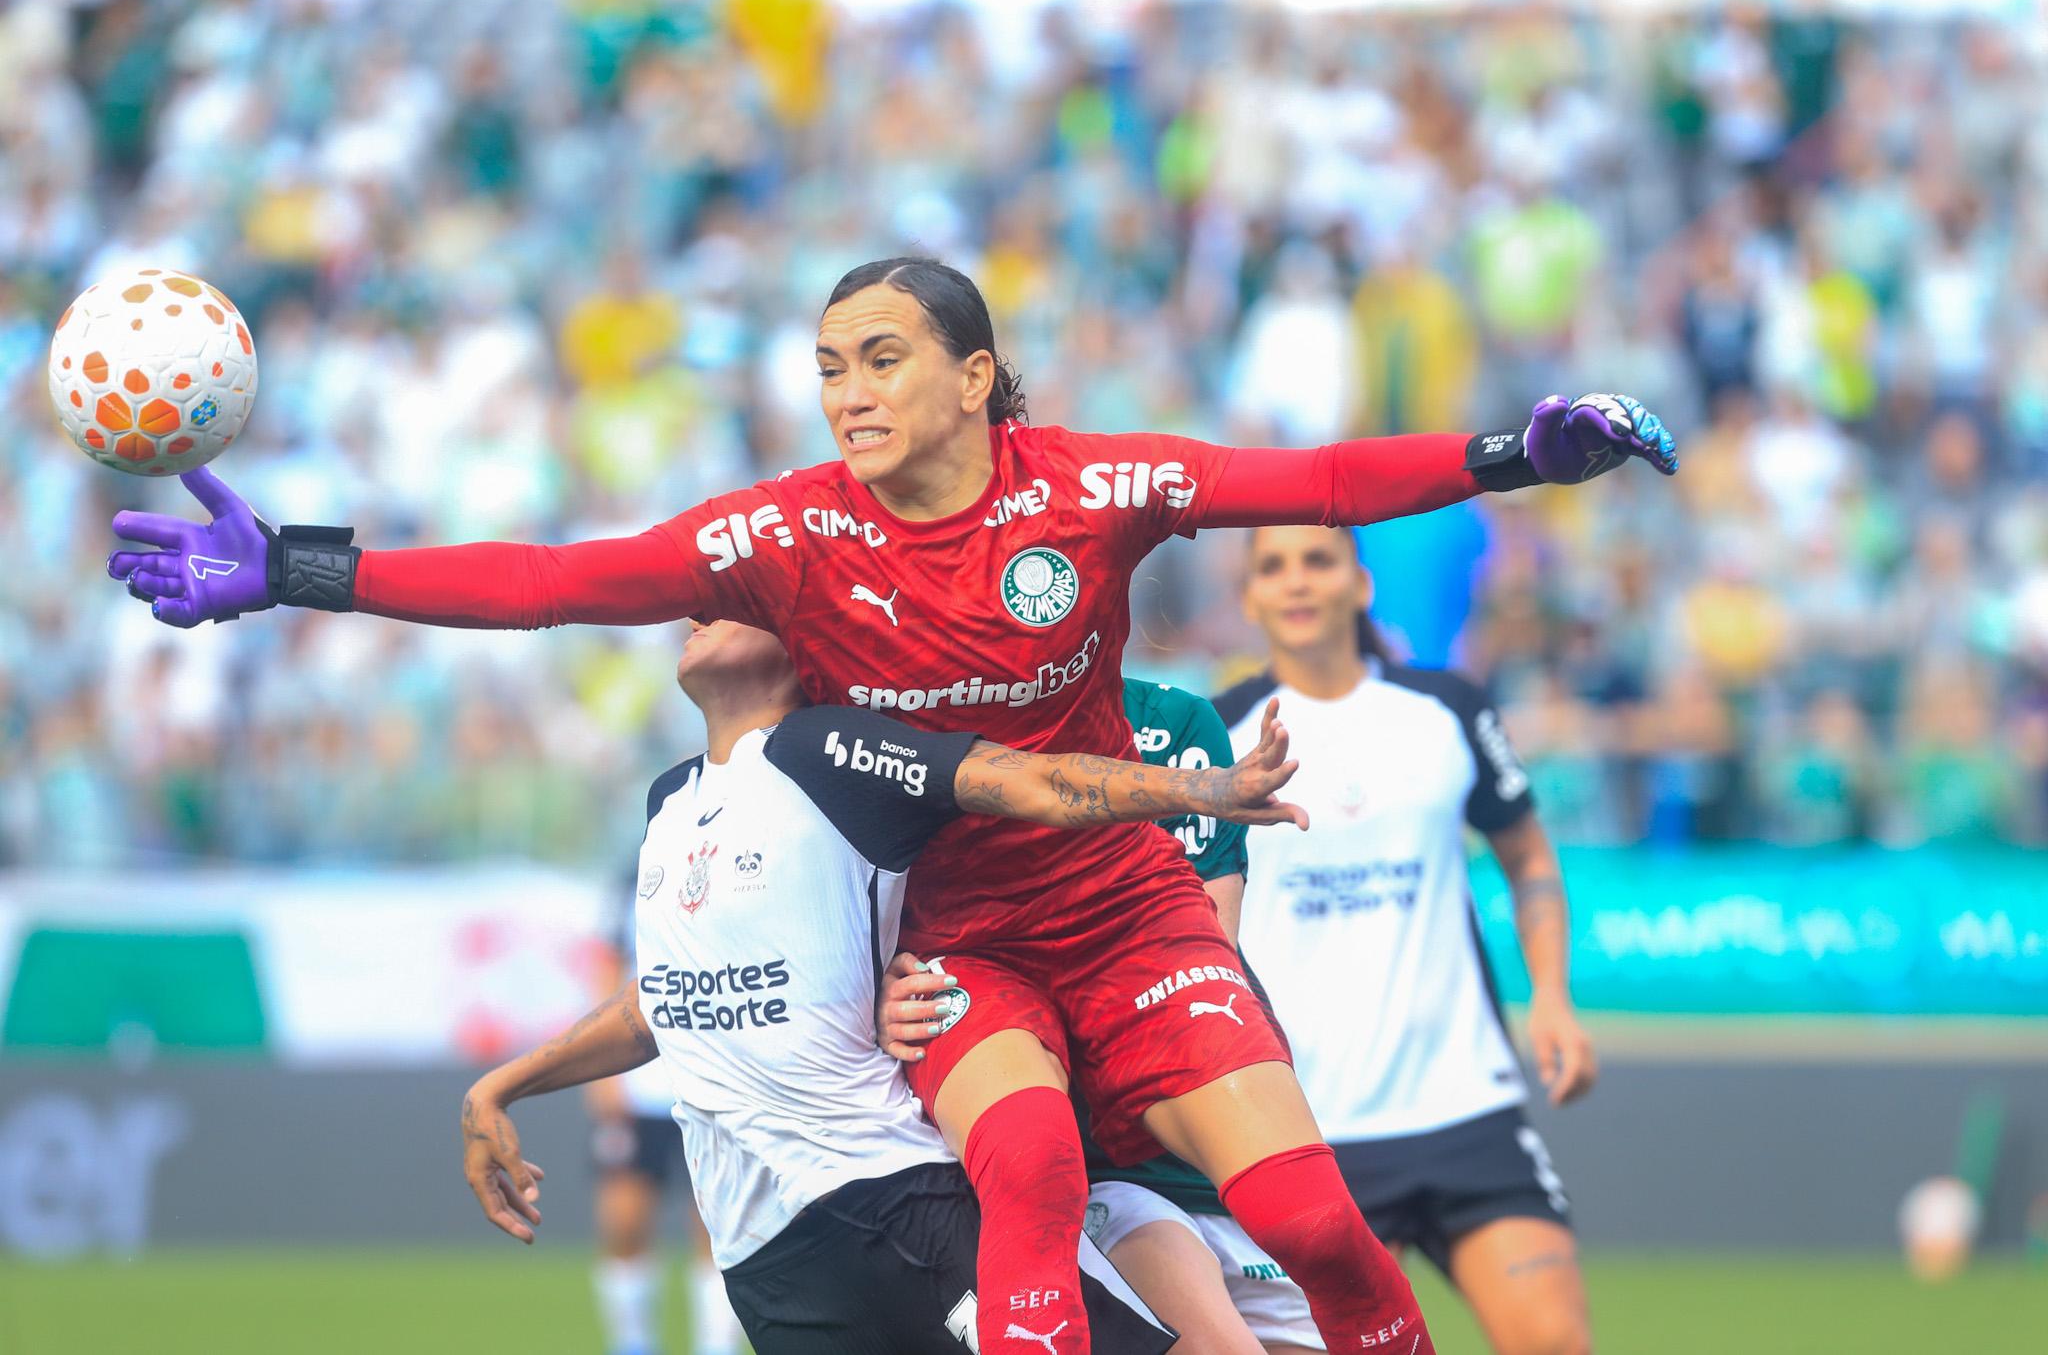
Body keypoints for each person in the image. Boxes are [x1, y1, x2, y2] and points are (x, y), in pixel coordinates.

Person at [110, 256, 1675, 1355]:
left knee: (1323, 1231)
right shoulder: (784, 534)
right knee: (1033, 1179)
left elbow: (1319, 479)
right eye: (826, 369)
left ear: (975, 375)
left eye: (880, 360)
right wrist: (300, 571)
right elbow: (551, 584)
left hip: (1128, 916)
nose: (845, 394)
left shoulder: (1089, 488)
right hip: (962, 944)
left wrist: (1511, 453)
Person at [458, 617, 1307, 1354]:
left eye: (736, 604)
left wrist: (1206, 790)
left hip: (896, 1199)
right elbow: (664, 1000)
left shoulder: (833, 748)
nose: (698, 611)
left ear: (801, 647)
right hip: (764, 1255)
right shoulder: (668, 799)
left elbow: (1029, 786)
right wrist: (505, 1082)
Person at [1210, 524, 1599, 1355]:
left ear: (1360, 581)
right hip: (1302, 1127)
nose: (1298, 581)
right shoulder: (1215, 736)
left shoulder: (1447, 707)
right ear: (1248, 597)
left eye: (1318, 560)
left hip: (1465, 1105)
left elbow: (1527, 855)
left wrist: (1553, 998)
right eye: (1273, 567)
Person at [882, 675, 1323, 1355]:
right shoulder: (920, 730)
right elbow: (884, 942)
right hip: (1101, 1177)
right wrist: (887, 990)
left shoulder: (1172, 721)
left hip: (1215, 1146)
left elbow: (1202, 945)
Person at [583, 926, 741, 1355]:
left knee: (717, 1228)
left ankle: (716, 1347)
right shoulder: (629, 879)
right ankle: (632, 1344)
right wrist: (603, 1074)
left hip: (709, 1084)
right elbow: (607, 966)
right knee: (623, 1223)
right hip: (637, 1092)